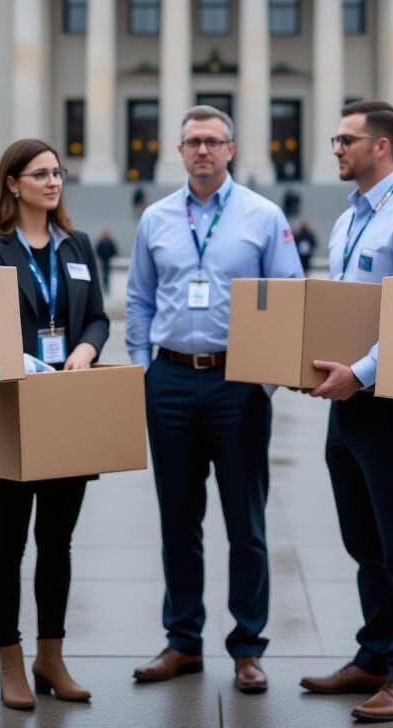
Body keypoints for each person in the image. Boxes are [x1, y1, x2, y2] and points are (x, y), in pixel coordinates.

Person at [126, 105, 303, 694]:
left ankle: (248, 646)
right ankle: (182, 641)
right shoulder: (155, 219)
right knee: (178, 520)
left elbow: (290, 301)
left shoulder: (263, 216)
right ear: (178, 152)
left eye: (213, 141)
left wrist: (268, 379)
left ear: (231, 149)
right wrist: (142, 371)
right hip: (171, 380)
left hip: (238, 384)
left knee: (245, 523)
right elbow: (139, 300)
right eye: (192, 142)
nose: (202, 150)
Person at [301, 100, 393, 724]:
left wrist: (357, 373)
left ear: (381, 147)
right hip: (352, 406)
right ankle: (375, 655)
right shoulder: (348, 219)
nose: (335, 147)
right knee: (364, 540)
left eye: (345, 139)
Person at [0, 138, 110, 710]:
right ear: (12, 183)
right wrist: (15, 359)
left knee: (58, 542)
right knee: (8, 541)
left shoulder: (78, 244)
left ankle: (52, 655)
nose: (53, 182)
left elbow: (95, 318)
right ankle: (10, 662)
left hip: (67, 404)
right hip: (8, 408)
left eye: (58, 173)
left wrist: (87, 352)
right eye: (40, 173)